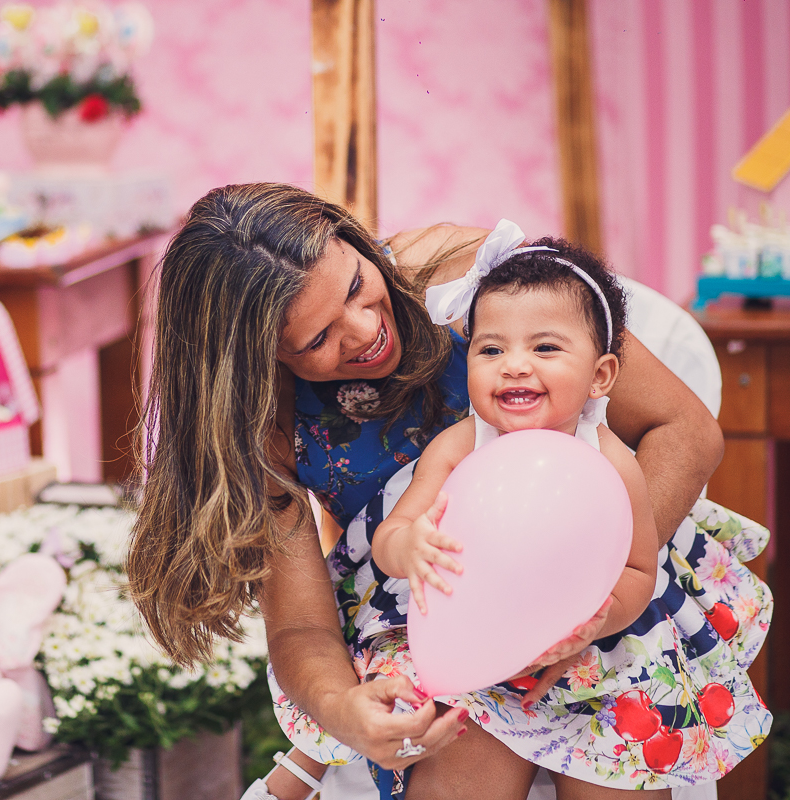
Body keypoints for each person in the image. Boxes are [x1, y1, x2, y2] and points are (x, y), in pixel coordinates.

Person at [125, 184, 766, 799]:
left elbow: (683, 430)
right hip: (434, 609)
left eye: (354, 285)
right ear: (264, 359)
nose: (363, 328)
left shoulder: (474, 282)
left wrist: (575, 602)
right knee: (459, 751)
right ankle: (313, 761)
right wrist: (343, 712)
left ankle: (303, 769)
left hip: (609, 579)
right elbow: (299, 624)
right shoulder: (266, 420)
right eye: (318, 339)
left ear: (350, 239)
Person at [341, 226, 770, 797]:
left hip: (597, 647)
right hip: (475, 635)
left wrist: (596, 621)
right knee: (455, 775)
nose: (514, 365)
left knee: (619, 772)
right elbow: (395, 534)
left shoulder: (612, 461)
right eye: (491, 350)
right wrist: (410, 545)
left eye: (545, 348)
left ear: (601, 375)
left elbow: (641, 570)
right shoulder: (460, 445)